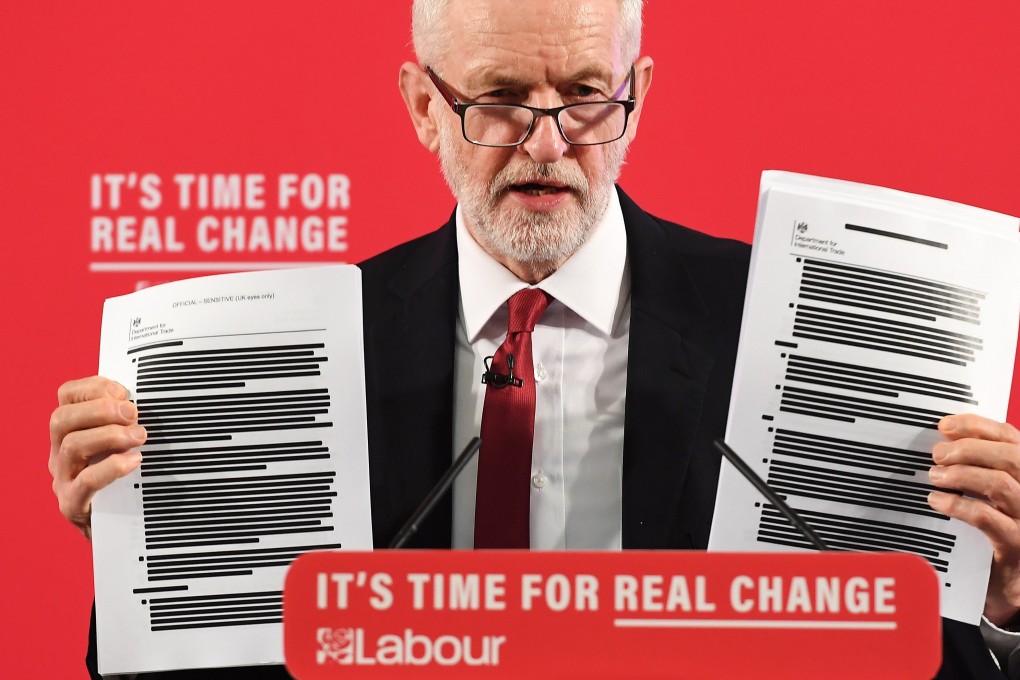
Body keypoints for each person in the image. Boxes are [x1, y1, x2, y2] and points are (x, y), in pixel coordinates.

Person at [47, 0, 1020, 677]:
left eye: (587, 96)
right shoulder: (298, 350)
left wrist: (1005, 603)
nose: (549, 142)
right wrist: (144, 558)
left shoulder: (797, 335)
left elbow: (901, 657)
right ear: (425, 106)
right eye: (501, 98)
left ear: (639, 93)